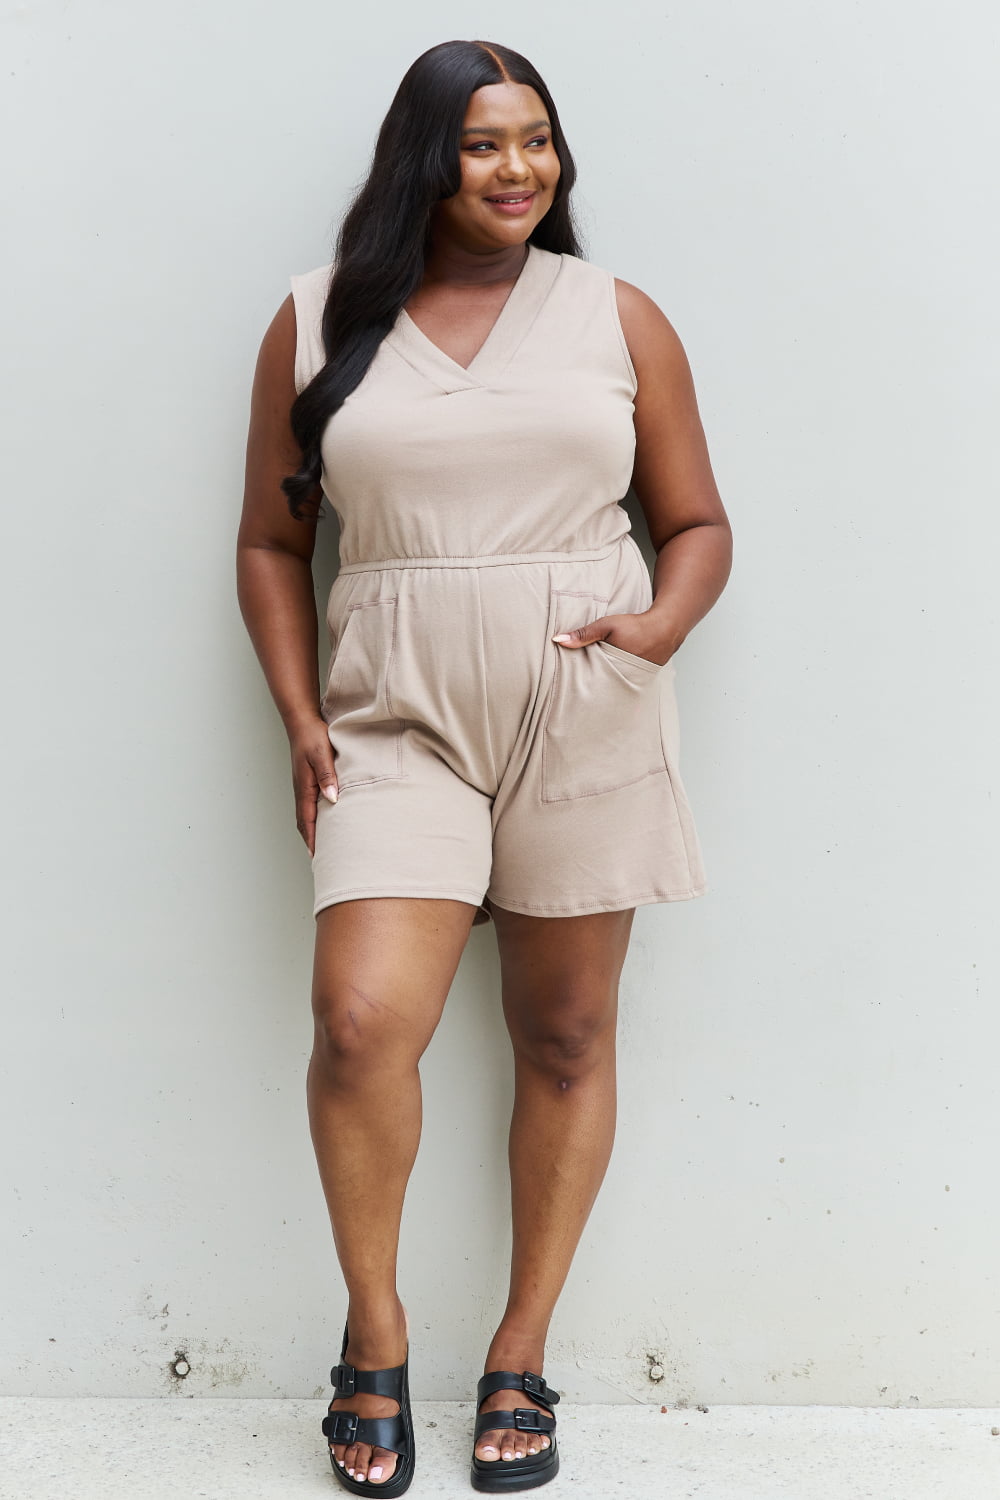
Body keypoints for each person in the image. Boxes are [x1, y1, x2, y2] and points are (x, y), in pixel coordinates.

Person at [237, 37, 732, 1497]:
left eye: (537, 139)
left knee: (565, 1035)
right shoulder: (320, 319)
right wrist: (300, 717)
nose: (518, 168)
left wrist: (657, 630)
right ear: (424, 160)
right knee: (358, 1023)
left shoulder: (615, 316)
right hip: (391, 715)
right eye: (481, 143)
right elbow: (268, 541)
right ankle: (374, 1336)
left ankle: (520, 1354)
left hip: (583, 702)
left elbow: (698, 523)